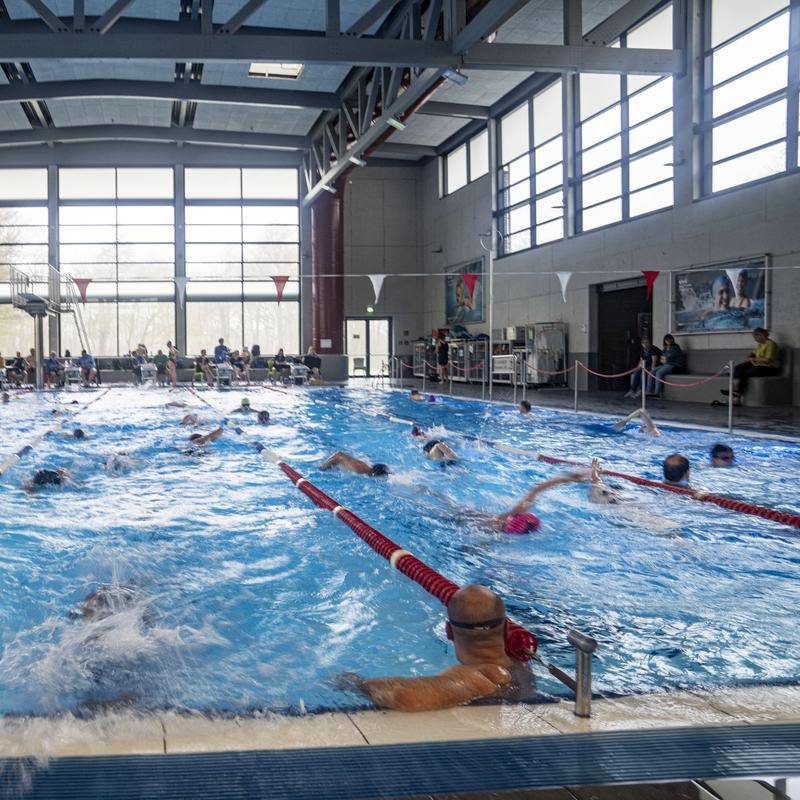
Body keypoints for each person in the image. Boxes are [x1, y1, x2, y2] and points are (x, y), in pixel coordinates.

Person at [338, 585, 531, 711]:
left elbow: (405, 697)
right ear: (507, 628)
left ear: (448, 631)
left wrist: (356, 684)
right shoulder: (521, 664)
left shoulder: (478, 676)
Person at [722, 328, 781, 405]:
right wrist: (750, 358)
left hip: (770, 368)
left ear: (762, 335)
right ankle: (735, 391)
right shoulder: (760, 345)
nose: (755, 340)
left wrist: (753, 359)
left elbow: (767, 360)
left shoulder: (771, 344)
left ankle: (736, 395)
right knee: (738, 368)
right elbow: (752, 355)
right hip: (758, 366)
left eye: (756, 337)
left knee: (746, 372)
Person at [319, 451, 390, 477]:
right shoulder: (359, 470)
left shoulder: (366, 469)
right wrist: (323, 467)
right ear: (374, 474)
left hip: (339, 461)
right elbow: (339, 455)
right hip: (335, 460)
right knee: (320, 469)